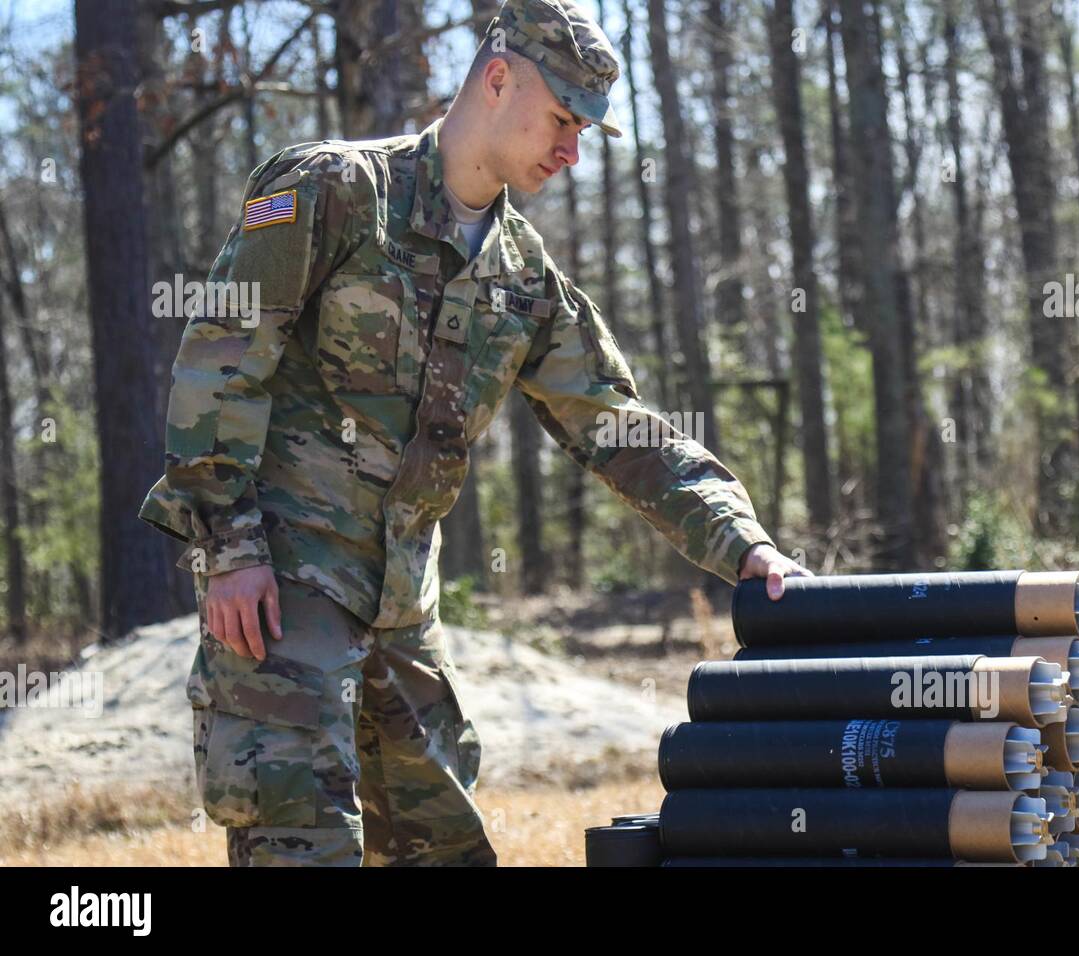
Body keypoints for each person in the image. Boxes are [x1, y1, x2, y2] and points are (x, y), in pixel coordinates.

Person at [138, 0, 810, 867]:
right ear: (498, 79)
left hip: (403, 613)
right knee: (298, 845)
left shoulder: (524, 276)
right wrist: (229, 547)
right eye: (564, 119)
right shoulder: (334, 191)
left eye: (587, 130)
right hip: (284, 595)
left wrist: (744, 544)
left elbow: (619, 427)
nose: (573, 151)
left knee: (446, 852)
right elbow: (220, 362)